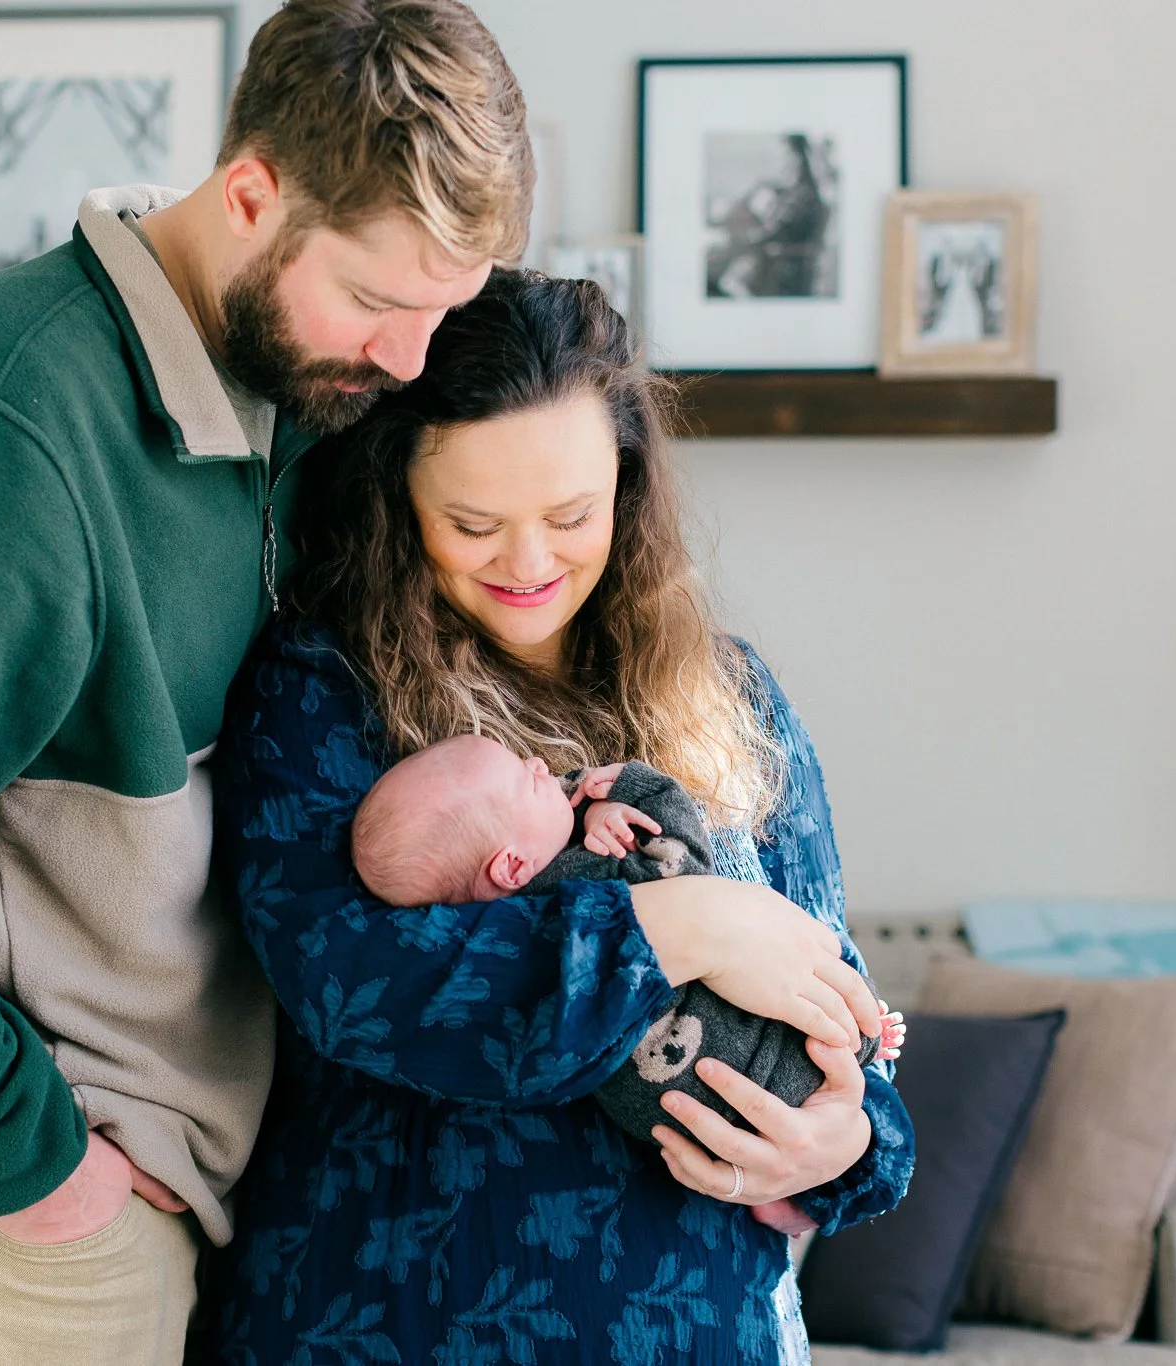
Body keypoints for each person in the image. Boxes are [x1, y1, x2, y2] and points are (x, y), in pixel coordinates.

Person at [0, 3, 532, 1362]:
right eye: (377, 301)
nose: (407, 359)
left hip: (157, 1192)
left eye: (445, 312)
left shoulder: (294, 397)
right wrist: (31, 1161)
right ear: (250, 193)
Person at [209, 270, 914, 1364]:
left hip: (695, 1329)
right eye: (474, 523)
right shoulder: (320, 690)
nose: (529, 562)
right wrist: (680, 928)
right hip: (393, 1318)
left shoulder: (730, 701)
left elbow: (834, 989)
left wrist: (844, 1135)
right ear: (398, 498)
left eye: (571, 515)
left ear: (627, 489)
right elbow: (352, 985)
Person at [349, 737, 905, 1143]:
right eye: (528, 778)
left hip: (669, 1112)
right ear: (512, 864)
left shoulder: (509, 935)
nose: (543, 764)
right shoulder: (594, 881)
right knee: (819, 1029)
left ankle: (856, 1055)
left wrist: (594, 814)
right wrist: (634, 794)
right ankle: (863, 1038)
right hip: (744, 1062)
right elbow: (685, 857)